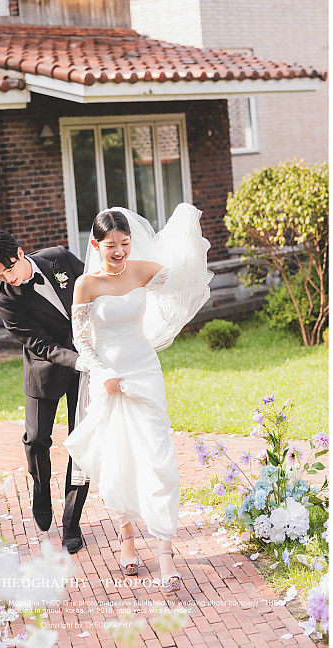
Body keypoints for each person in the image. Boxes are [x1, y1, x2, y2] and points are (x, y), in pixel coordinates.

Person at [63, 204, 212, 592]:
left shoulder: (143, 270)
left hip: (145, 372)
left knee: (159, 457)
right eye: (110, 245)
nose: (119, 251)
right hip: (108, 378)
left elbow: (185, 281)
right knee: (119, 458)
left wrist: (187, 235)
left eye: (125, 243)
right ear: (95, 245)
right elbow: (81, 340)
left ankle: (165, 553)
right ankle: (127, 538)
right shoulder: (86, 285)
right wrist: (103, 375)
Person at [0, 231, 89, 554]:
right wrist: (77, 360)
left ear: (21, 253)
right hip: (46, 368)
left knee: (83, 443)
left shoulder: (60, 259)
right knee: (36, 439)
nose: (8, 278)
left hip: (89, 366)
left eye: (9, 269)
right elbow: (41, 344)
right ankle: (41, 488)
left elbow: (96, 290)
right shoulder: (6, 301)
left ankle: (72, 522)